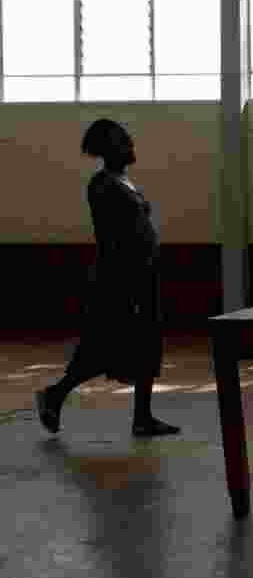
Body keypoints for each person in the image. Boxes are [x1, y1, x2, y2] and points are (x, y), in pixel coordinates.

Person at [35, 119, 180, 438]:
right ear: (108, 148)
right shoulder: (102, 185)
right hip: (120, 280)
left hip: (143, 277)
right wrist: (126, 281)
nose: (131, 146)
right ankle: (54, 395)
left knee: (146, 346)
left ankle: (143, 418)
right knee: (102, 349)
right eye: (124, 142)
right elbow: (115, 239)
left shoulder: (125, 181)